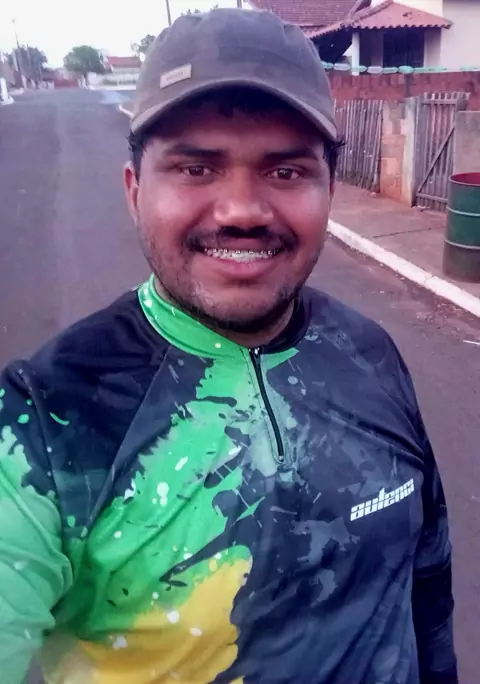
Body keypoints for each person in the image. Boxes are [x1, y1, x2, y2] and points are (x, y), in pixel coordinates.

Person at [0, 9, 457, 684]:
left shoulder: (370, 352)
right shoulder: (42, 422)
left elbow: (428, 578)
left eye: (286, 172)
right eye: (195, 168)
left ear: (329, 190)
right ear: (134, 190)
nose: (242, 210)